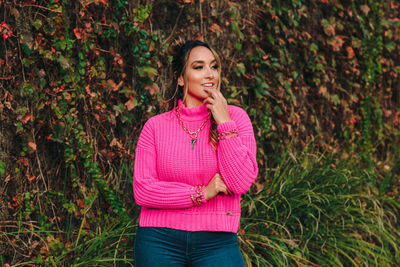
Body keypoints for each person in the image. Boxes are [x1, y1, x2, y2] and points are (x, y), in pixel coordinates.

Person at [133, 39, 258, 267]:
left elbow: (239, 183)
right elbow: (143, 191)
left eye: (214, 66)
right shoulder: (155, 126)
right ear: (180, 77)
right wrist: (201, 193)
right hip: (158, 240)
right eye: (198, 67)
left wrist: (224, 122)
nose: (209, 74)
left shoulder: (236, 118)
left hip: (217, 242)